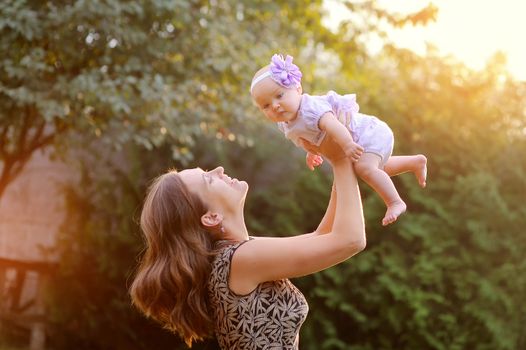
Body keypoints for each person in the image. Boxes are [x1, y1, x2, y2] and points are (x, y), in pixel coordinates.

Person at [129, 135, 366, 349]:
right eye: (208, 180)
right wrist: (341, 158)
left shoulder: (236, 254)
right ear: (211, 217)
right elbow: (351, 240)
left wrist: (340, 165)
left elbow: (321, 238)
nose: (219, 169)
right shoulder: (240, 259)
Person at [251, 54, 428, 226]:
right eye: (265, 105)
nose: (274, 105)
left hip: (368, 133)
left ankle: (395, 202)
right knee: (372, 169)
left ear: (298, 89)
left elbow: (332, 125)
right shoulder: (285, 123)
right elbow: (305, 138)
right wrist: (311, 153)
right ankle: (414, 162)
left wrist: (348, 144)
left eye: (279, 95)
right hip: (360, 138)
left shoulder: (310, 108)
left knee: (364, 168)